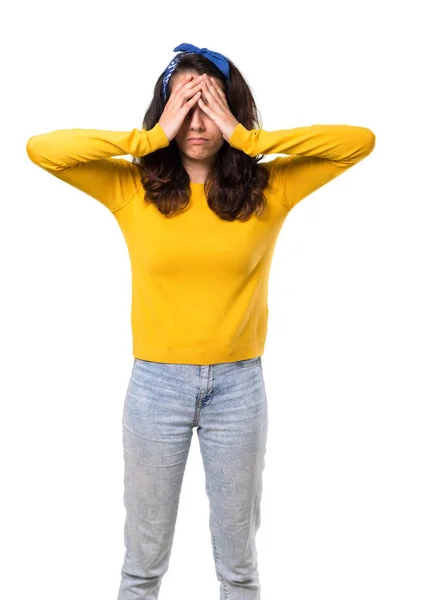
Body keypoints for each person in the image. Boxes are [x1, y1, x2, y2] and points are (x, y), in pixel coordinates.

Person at [26, 42, 376, 600]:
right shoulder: (131, 188)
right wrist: (146, 139)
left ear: (231, 109)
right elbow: (42, 150)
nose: (196, 122)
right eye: (184, 104)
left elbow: (359, 142)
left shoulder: (271, 189)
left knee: (238, 568)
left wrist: (250, 139)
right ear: (165, 110)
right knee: (142, 566)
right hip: (155, 387)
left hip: (239, 388)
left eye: (208, 104)